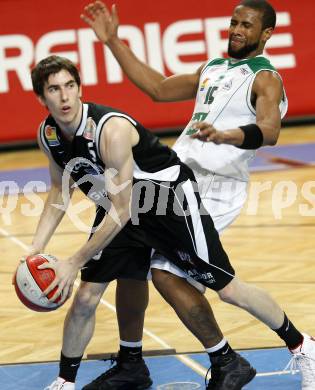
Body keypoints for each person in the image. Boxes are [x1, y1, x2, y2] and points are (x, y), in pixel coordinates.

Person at [77, 0, 315, 389]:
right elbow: (156, 88)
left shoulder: (266, 78)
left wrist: (230, 135)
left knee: (198, 282)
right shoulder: (213, 68)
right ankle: (139, 362)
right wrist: (113, 42)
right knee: (136, 265)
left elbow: (270, 129)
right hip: (170, 181)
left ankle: (298, 345)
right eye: (234, 22)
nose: (237, 29)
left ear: (266, 34)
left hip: (215, 189)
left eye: (247, 25)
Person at [27, 54, 255, 390]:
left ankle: (282, 344)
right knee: (90, 295)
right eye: (54, 89)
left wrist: (73, 261)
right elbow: (60, 193)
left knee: (220, 285)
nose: (63, 97)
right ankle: (72, 379)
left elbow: (123, 205)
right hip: (119, 207)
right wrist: (35, 248)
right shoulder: (48, 135)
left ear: (79, 88)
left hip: (160, 204)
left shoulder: (108, 128)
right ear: (41, 97)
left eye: (70, 86)